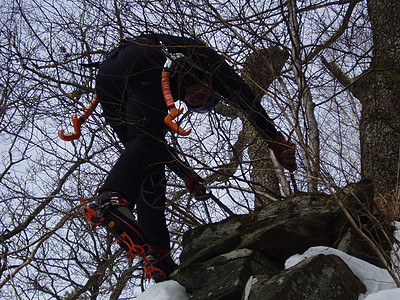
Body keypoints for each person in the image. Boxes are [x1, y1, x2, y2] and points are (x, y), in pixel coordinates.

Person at [81, 33, 297, 282]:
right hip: (141, 58)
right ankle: (111, 198)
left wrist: (185, 174)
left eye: (197, 105)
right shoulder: (207, 62)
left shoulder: (166, 88)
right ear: (212, 87)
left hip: (109, 83)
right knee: (147, 142)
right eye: (205, 99)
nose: (196, 100)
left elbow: (151, 146)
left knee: (147, 156)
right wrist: (274, 139)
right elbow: (242, 94)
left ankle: (156, 252)